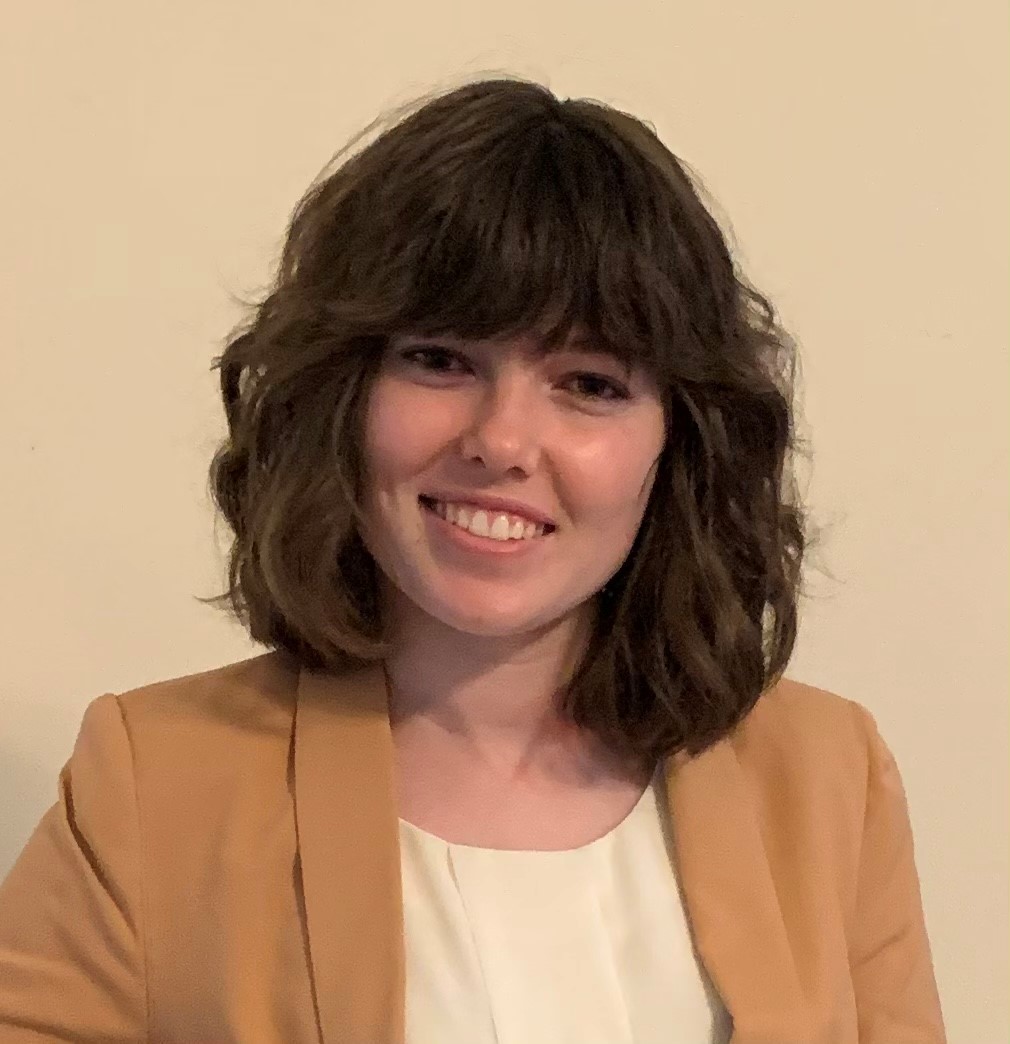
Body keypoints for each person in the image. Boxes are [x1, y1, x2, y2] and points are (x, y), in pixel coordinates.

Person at [0, 75, 945, 1043]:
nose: (501, 441)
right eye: (441, 360)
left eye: (587, 382)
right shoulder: (155, 780)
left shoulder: (829, 779)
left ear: (679, 443)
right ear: (342, 395)